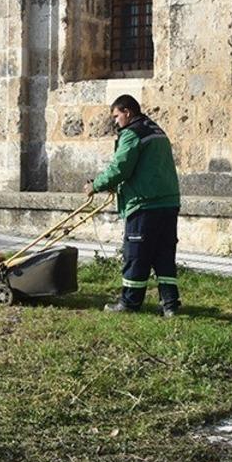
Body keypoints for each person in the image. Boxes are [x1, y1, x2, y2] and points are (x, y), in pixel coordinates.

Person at [84, 95, 182, 316]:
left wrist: (96, 185)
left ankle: (129, 303)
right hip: (168, 203)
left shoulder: (132, 134)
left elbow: (121, 167)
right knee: (163, 254)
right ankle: (170, 304)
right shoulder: (157, 131)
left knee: (136, 254)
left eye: (116, 116)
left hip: (143, 205)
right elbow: (146, 168)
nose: (116, 122)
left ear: (127, 112)